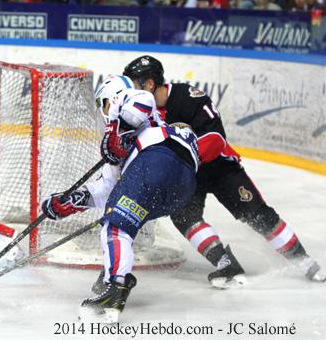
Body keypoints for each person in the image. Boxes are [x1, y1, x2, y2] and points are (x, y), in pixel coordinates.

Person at [122, 55, 325, 283]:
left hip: (219, 168)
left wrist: (184, 159)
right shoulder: (143, 113)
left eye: (135, 84)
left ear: (149, 84)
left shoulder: (188, 97)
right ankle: (226, 264)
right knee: (184, 218)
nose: (132, 92)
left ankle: (305, 261)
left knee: (258, 214)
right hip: (187, 177)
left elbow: (216, 137)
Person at [41, 75, 199, 323]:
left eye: (104, 104)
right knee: (122, 214)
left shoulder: (138, 107)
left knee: (115, 228)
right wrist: (71, 202)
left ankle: (115, 289)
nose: (103, 111)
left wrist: (114, 130)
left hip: (156, 161)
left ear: (113, 97)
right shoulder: (127, 145)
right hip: (180, 188)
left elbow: (142, 99)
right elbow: (107, 192)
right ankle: (114, 276)